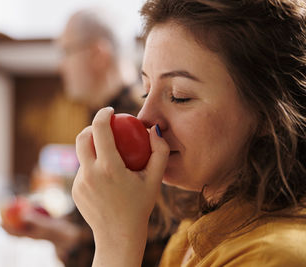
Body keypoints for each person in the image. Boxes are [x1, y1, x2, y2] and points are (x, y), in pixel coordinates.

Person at [72, 0, 306, 266]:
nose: (144, 118)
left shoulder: (273, 258)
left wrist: (116, 240)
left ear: (269, 114)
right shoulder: (190, 231)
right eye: (146, 90)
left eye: (179, 96)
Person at [1, 7, 196, 267]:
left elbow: (160, 238)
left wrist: (65, 237)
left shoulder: (138, 127)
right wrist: (57, 229)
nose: (60, 65)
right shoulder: (105, 121)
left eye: (66, 51)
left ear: (97, 54)